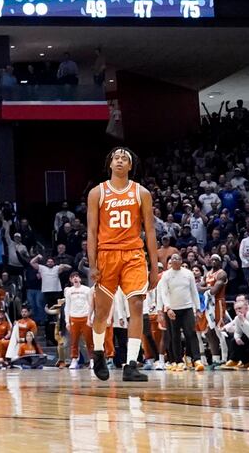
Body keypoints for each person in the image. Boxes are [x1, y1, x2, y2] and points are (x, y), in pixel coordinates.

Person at [87, 147, 157, 382]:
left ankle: (131, 364)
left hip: (133, 254)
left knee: (136, 305)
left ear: (130, 166)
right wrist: (92, 263)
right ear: (110, 164)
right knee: (102, 312)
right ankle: (98, 353)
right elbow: (92, 231)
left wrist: (155, 268)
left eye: (124, 158)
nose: (119, 161)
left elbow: (150, 231)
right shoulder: (98, 192)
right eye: (116, 158)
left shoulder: (141, 193)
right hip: (106, 254)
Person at [156, 253, 203, 371]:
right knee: (174, 336)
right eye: (173, 259)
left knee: (191, 333)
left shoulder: (188, 274)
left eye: (177, 258)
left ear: (181, 261)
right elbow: (163, 293)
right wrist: (167, 308)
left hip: (187, 308)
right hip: (172, 309)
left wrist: (197, 308)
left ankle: (196, 359)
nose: (175, 260)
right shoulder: (166, 275)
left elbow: (194, 291)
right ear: (170, 262)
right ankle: (178, 361)